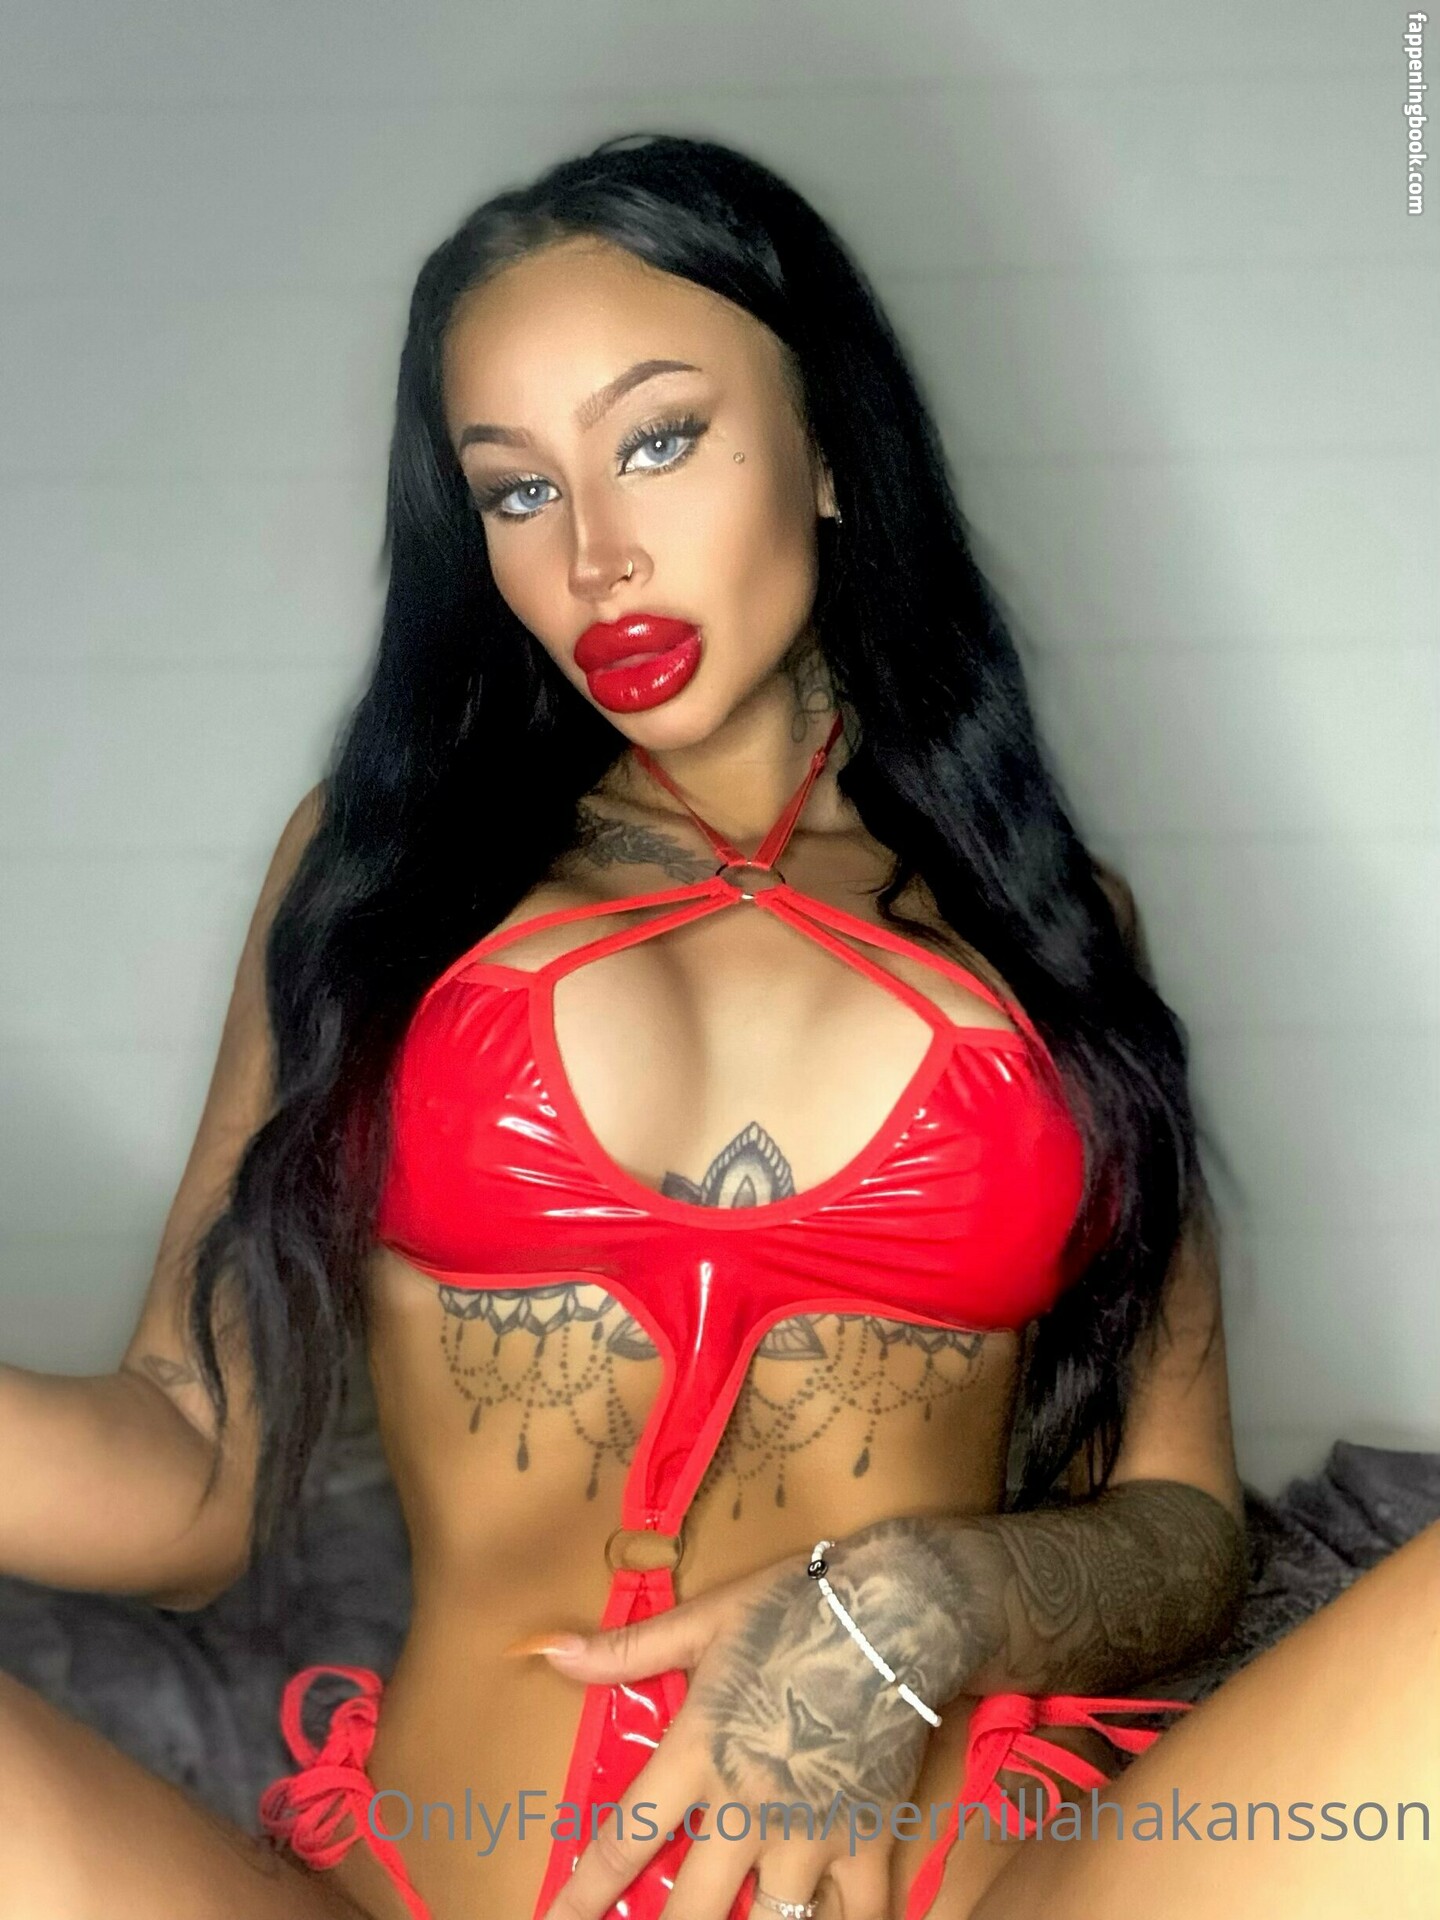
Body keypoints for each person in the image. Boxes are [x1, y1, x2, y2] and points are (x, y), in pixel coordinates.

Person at [0, 132, 1434, 1920]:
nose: (596, 557)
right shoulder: (380, 883)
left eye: (660, 440)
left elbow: (1180, 1523)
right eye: (515, 492)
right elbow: (193, 1458)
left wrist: (938, 1599)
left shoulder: (1052, 928)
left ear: (829, 447)